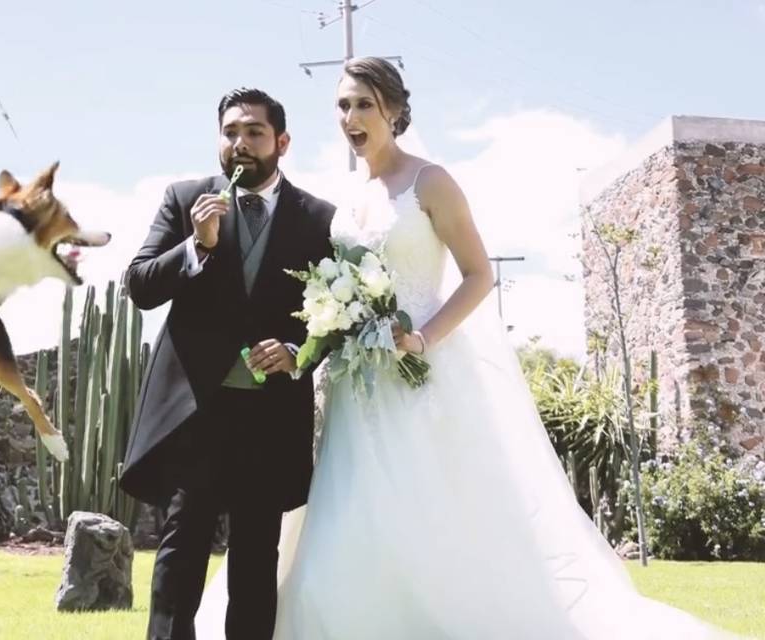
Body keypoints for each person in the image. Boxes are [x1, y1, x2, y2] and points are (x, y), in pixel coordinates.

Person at [195, 58, 736, 639]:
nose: (351, 118)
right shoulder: (345, 199)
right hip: (355, 387)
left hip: (418, 376)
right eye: (343, 106)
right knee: (348, 510)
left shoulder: (431, 182)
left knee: (427, 511)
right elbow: (333, 292)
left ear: (395, 112)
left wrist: (423, 337)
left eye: (365, 105)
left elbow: (479, 275)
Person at [120, 87, 335, 640]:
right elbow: (139, 285)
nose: (240, 143)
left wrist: (296, 351)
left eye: (254, 133)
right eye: (231, 132)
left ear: (281, 142)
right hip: (198, 414)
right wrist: (197, 244)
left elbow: (330, 320)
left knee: (256, 566)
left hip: (270, 418)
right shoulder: (185, 197)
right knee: (180, 555)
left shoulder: (318, 219)